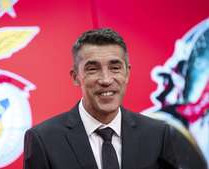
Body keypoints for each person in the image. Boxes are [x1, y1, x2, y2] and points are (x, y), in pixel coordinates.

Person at [23, 28, 203, 169]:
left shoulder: (158, 134)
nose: (106, 80)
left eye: (115, 68)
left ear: (127, 74)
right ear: (75, 77)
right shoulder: (43, 140)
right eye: (92, 69)